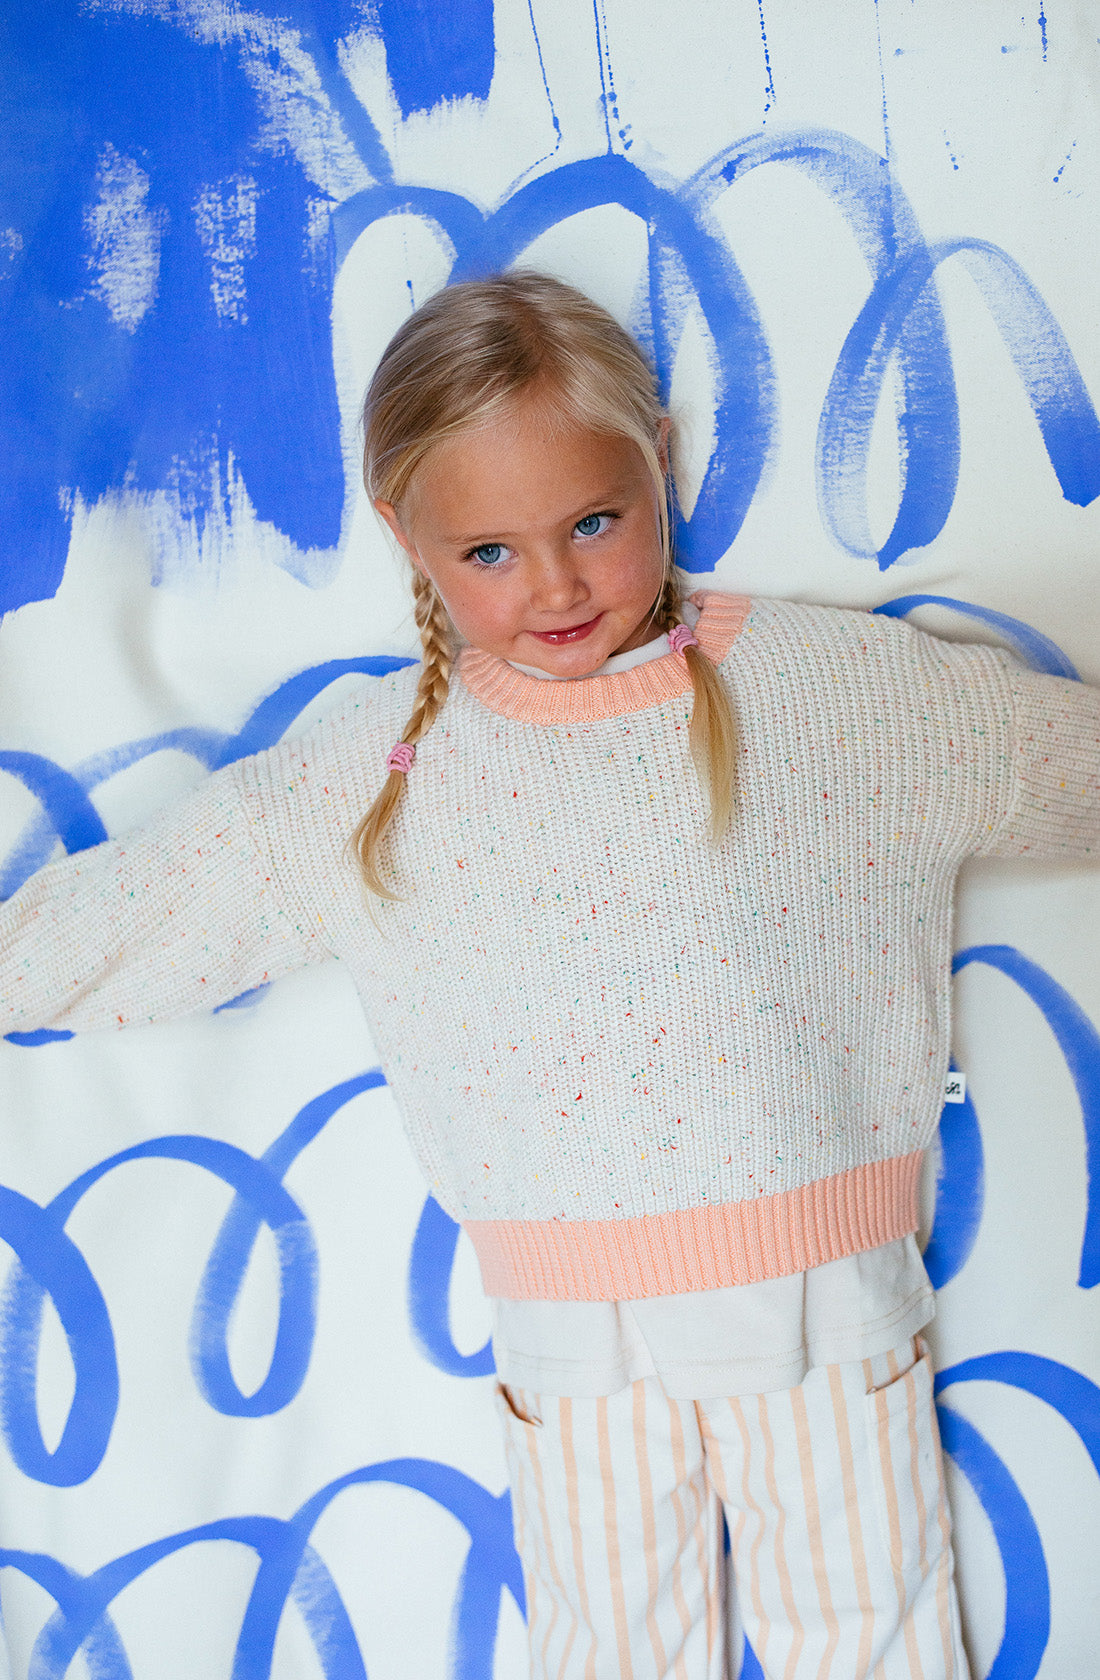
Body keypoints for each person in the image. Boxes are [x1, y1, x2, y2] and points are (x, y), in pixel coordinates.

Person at [2, 271, 1098, 1680]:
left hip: (836, 1313)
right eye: (492, 553)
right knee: (608, 1652)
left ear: (664, 458)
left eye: (595, 521)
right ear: (404, 536)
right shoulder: (375, 765)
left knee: (873, 1643)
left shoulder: (847, 699)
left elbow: (1061, 761)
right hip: (571, 1349)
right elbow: (139, 918)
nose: (560, 586)